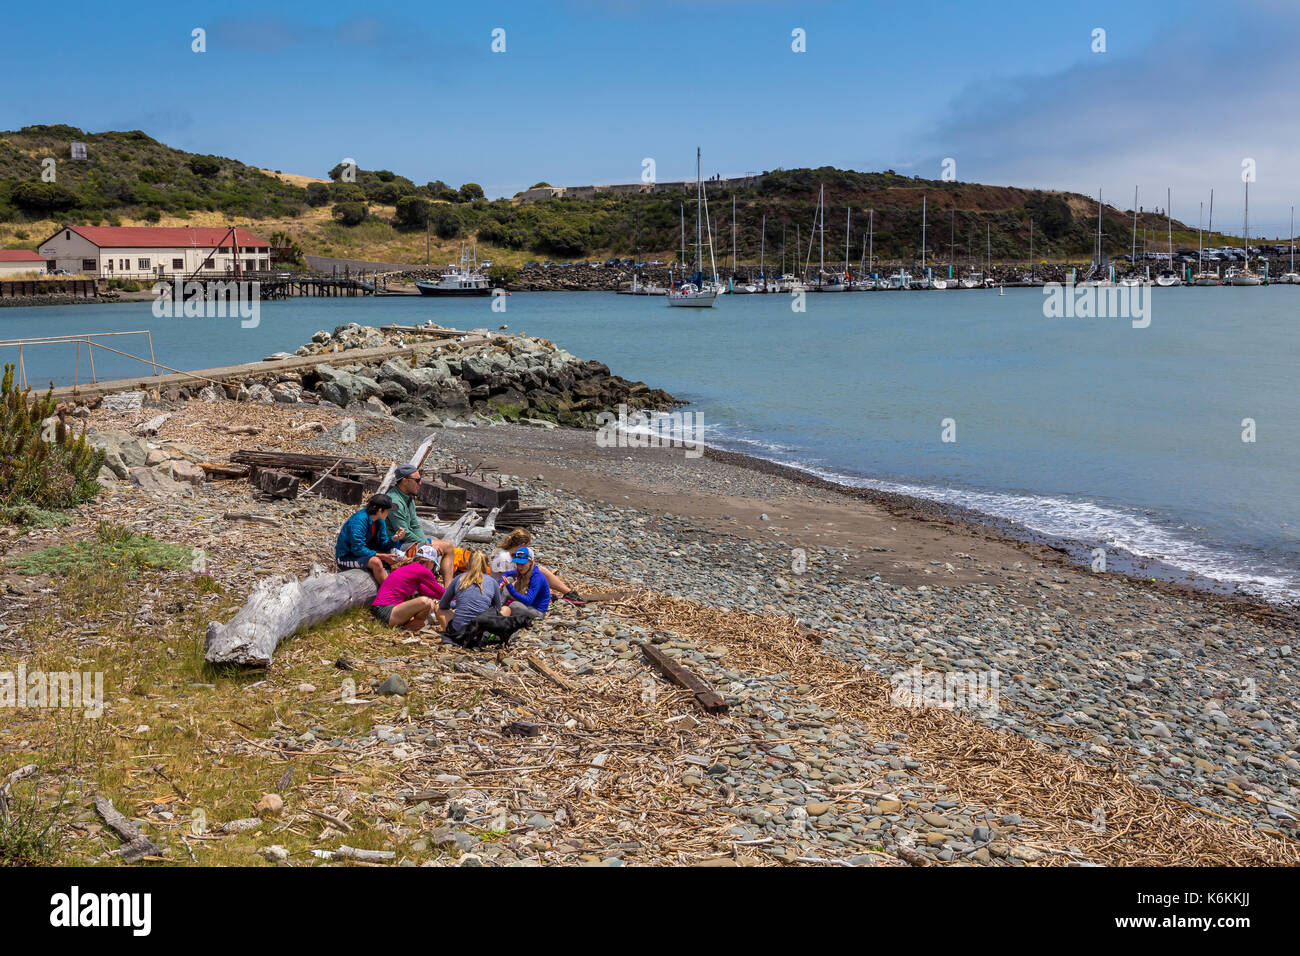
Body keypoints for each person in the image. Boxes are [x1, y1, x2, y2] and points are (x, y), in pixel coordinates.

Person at [438, 551, 538, 649]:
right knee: (506, 609)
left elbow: (443, 604)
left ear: (468, 563)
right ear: (486, 565)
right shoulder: (491, 582)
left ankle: (453, 634)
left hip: (460, 632)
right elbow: (497, 609)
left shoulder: (459, 578)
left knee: (437, 607)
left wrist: (457, 604)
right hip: (482, 630)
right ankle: (490, 636)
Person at [490, 528, 587, 606]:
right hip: (502, 593)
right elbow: (507, 580)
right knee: (539, 571)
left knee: (537, 571)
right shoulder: (504, 558)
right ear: (523, 545)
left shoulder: (507, 554)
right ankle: (568, 593)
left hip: (511, 588)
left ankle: (567, 593)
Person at [370, 545, 447, 632]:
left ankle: (410, 627)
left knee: (430, 603)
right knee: (426, 602)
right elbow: (442, 592)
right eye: (434, 564)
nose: (433, 567)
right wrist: (460, 598)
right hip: (385, 611)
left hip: (383, 610)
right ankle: (409, 628)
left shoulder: (411, 569)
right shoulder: (422, 570)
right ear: (429, 562)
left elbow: (431, 593)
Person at [336, 494, 403, 584]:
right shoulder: (359, 521)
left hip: (365, 552)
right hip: (346, 557)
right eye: (388, 510)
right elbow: (357, 549)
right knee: (376, 562)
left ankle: (402, 585)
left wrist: (394, 539)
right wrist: (382, 556)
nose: (389, 513)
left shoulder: (380, 521)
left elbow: (383, 544)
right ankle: (390, 593)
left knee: (399, 556)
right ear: (380, 510)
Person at [498, 546, 550, 617]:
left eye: (522, 564)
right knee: (509, 579)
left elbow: (528, 601)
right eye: (517, 564)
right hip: (526, 605)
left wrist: (510, 588)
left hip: (537, 610)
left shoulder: (537, 577)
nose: (519, 567)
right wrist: (500, 584)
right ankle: (499, 606)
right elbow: (505, 574)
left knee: (514, 605)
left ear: (531, 562)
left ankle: (501, 611)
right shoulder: (524, 570)